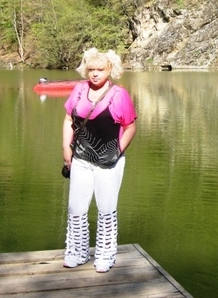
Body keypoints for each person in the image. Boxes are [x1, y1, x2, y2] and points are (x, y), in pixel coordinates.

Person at [62, 48, 137, 273]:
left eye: (100, 69)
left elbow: (130, 126)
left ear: (109, 70)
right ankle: (78, 252)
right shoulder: (79, 90)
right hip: (81, 158)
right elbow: (68, 119)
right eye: (91, 69)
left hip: (108, 162)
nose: (94, 74)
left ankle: (105, 255)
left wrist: (118, 151)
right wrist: (67, 150)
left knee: (106, 210)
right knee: (76, 208)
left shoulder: (118, 95)